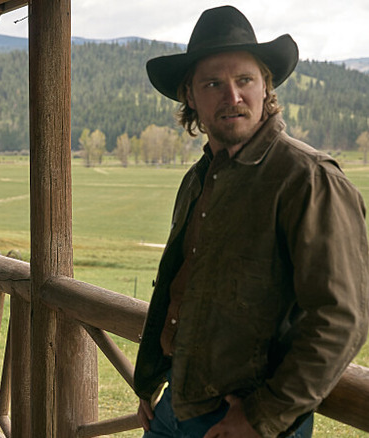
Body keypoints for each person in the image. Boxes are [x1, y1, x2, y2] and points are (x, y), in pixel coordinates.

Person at [134, 6, 369, 438]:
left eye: (244, 80)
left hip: (245, 421)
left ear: (266, 86)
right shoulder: (199, 178)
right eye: (213, 84)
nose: (232, 96)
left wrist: (261, 416)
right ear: (191, 96)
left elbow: (341, 318)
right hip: (173, 406)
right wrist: (151, 380)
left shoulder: (307, 178)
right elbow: (180, 287)